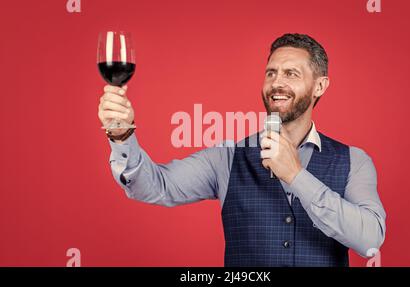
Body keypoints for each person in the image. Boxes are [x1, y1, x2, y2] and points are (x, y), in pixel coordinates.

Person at [97, 33, 386, 267]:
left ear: (319, 86)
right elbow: (155, 186)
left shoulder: (354, 161)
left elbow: (370, 239)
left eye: (291, 74)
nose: (277, 83)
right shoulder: (227, 158)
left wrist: (296, 175)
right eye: (271, 72)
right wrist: (122, 137)